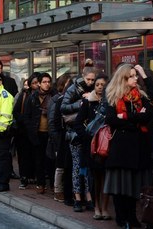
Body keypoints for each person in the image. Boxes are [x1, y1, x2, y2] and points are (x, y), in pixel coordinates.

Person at [104, 63, 153, 228]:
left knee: (134, 185)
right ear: (123, 78)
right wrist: (134, 119)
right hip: (121, 149)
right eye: (132, 76)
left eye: (136, 76)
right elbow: (111, 119)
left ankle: (132, 217)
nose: (135, 79)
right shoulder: (113, 96)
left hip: (139, 148)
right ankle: (121, 217)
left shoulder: (141, 95)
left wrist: (144, 75)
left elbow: (148, 114)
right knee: (120, 185)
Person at [74, 74, 111, 220]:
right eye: (97, 84)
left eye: (103, 84)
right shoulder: (88, 102)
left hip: (108, 145)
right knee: (95, 178)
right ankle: (97, 207)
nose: (100, 87)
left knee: (107, 178)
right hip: (94, 147)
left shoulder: (111, 102)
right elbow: (78, 123)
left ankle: (106, 207)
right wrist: (88, 137)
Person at [60, 66, 96, 212]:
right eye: (88, 79)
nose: (90, 82)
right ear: (83, 76)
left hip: (89, 133)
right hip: (74, 133)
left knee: (87, 167)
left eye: (93, 80)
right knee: (76, 166)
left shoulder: (96, 89)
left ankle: (88, 197)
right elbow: (63, 107)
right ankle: (78, 198)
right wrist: (80, 103)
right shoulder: (73, 88)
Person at [24, 73, 56, 194]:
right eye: (44, 82)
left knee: (51, 160)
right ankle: (40, 183)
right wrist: (31, 132)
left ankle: (53, 184)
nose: (47, 84)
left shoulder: (54, 96)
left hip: (51, 133)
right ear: (39, 83)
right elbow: (27, 116)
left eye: (48, 82)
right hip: (38, 133)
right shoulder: (33, 97)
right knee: (39, 160)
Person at [47, 73, 73, 202]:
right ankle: (58, 190)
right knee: (60, 165)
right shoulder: (58, 100)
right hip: (60, 137)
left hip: (67, 137)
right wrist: (56, 140)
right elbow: (53, 122)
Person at [13, 72, 40, 189]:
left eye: (38, 82)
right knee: (24, 156)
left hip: (38, 131)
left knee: (36, 155)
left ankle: (34, 176)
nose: (37, 85)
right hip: (23, 132)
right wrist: (25, 120)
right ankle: (24, 177)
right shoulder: (24, 95)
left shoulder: (45, 96)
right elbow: (16, 112)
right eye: (34, 83)